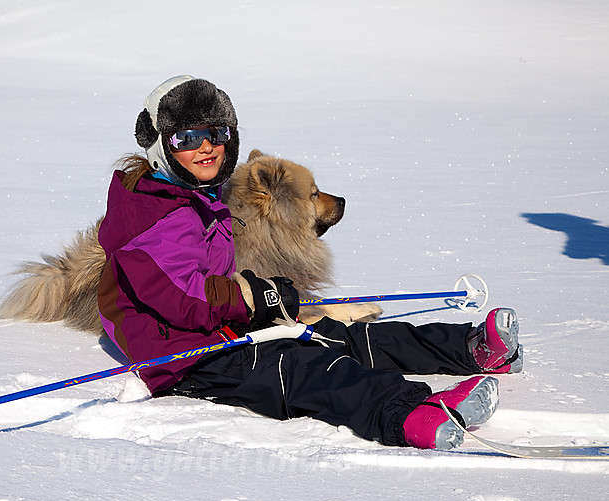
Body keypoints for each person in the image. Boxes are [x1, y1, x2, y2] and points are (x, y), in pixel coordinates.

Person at [97, 75, 523, 450]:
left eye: (216, 133)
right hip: (187, 359)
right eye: (186, 138)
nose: (206, 146)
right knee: (306, 369)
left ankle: (466, 347)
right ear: (160, 146)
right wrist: (249, 295)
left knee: (342, 336)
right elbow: (183, 296)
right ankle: (410, 415)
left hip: (222, 329)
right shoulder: (152, 216)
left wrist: (254, 297)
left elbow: (202, 278)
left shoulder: (192, 198)